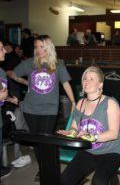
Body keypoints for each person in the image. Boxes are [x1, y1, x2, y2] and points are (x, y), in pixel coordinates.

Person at [7, 35, 76, 181]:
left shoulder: (57, 64)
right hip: (30, 108)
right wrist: (26, 82)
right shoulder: (29, 63)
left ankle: (50, 168)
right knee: (37, 142)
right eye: (36, 47)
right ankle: (42, 168)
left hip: (49, 109)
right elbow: (12, 73)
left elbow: (66, 84)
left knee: (46, 140)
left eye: (41, 46)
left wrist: (73, 102)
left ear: (48, 47)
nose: (38, 50)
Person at [57, 66, 120, 185]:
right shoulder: (80, 103)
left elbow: (114, 134)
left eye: (91, 79)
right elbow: (74, 127)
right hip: (87, 150)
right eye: (84, 79)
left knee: (98, 182)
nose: (86, 82)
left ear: (100, 85)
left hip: (111, 152)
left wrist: (93, 137)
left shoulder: (110, 103)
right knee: (64, 180)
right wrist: (71, 133)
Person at [0, 40, 19, 181]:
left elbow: (2, 93)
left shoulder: (1, 71)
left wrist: (8, 98)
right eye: (1, 49)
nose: (5, 51)